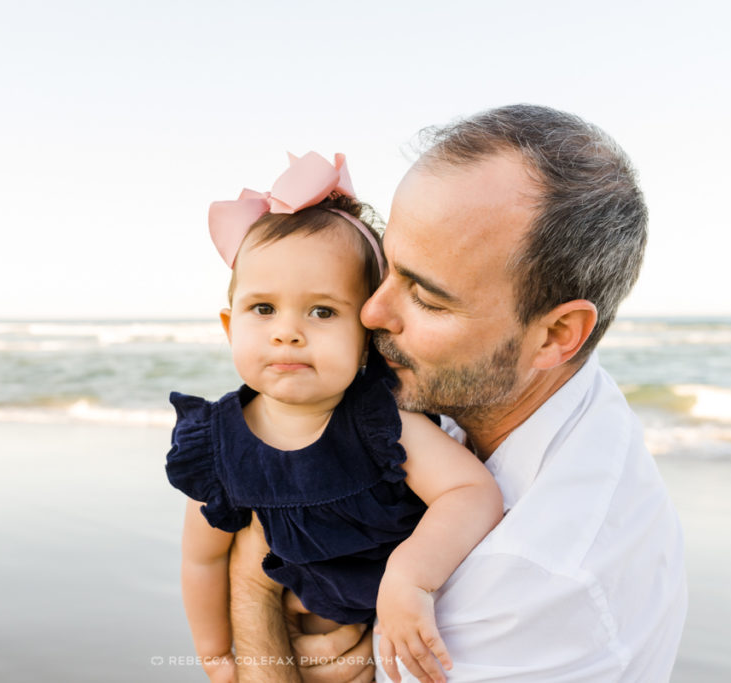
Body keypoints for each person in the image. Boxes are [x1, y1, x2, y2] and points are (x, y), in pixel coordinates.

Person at [228, 106, 688, 683]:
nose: (373, 311)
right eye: (387, 268)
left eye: (428, 298)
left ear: (556, 335)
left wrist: (253, 582)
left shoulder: (538, 579)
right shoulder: (499, 390)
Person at [166, 152, 503, 683]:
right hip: (287, 645)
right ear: (231, 328)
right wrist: (215, 655)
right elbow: (202, 560)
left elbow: (472, 493)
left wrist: (410, 579)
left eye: (322, 311)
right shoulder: (215, 447)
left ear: (366, 334)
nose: (287, 332)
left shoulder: (379, 424)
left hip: (389, 639)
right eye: (263, 309)